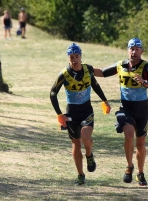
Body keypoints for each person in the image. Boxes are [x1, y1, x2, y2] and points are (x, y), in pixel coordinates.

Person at [93, 38, 148, 186]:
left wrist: (144, 82)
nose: (134, 51)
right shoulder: (121, 65)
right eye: (131, 48)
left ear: (142, 51)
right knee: (129, 136)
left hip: (142, 110)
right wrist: (84, 67)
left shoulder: (146, 67)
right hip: (126, 109)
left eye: (137, 49)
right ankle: (129, 166)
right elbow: (102, 72)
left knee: (141, 144)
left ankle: (140, 173)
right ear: (127, 50)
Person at [50, 43, 111, 186]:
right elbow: (52, 94)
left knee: (86, 138)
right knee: (76, 145)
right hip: (71, 113)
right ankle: (80, 175)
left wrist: (105, 100)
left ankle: (89, 154)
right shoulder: (64, 74)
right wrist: (60, 114)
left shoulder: (88, 69)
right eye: (71, 57)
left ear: (81, 56)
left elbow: (95, 85)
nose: (74, 60)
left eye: (77, 56)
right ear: (68, 58)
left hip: (86, 110)